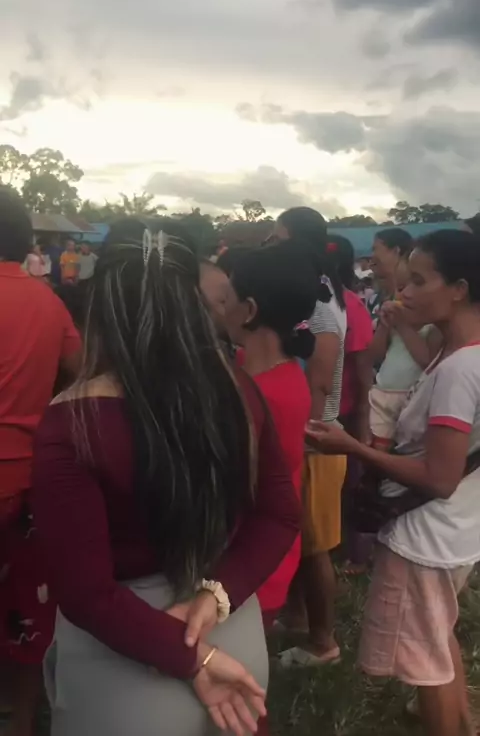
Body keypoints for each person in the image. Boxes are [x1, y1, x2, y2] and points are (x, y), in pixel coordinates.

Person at [32, 217, 300, 736]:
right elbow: (279, 515)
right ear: (194, 300)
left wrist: (189, 653)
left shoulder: (73, 424)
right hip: (228, 634)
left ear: (100, 306)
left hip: (124, 659)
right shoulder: (237, 391)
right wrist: (215, 598)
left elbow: (86, 594)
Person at [306, 229, 480, 736]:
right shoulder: (460, 355)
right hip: (456, 528)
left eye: (420, 281)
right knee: (437, 637)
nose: (405, 291)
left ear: (459, 290)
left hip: (427, 535)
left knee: (425, 664)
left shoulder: (459, 369)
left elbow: (439, 477)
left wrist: (354, 448)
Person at [0, 188, 81, 736]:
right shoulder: (49, 303)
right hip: (27, 486)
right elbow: (80, 371)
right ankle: (22, 717)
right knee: (26, 608)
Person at [225, 242, 317, 627]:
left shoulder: (269, 394)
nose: (220, 309)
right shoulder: (258, 369)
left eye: (225, 299)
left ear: (249, 310)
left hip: (251, 566)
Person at [271, 207, 347, 667]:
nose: (272, 247)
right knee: (302, 539)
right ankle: (297, 617)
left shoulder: (318, 308)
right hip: (312, 438)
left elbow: (318, 384)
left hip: (316, 441)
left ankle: (324, 641)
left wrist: (305, 437)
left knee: (316, 548)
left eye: (278, 239)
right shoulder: (320, 295)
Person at [328, 236, 373, 574]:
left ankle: (357, 553)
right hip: (325, 409)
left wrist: (363, 419)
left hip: (344, 410)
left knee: (352, 483)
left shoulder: (350, 306)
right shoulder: (319, 301)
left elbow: (362, 369)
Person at [369, 273, 442, 458]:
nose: (405, 294)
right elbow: (375, 355)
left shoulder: (432, 328)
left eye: (417, 286)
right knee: (377, 448)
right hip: (382, 394)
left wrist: (403, 326)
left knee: (403, 449)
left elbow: (427, 361)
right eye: (400, 288)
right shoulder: (393, 323)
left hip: (411, 398)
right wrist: (384, 326)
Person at [367, 228, 413, 327]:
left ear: (396, 251)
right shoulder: (376, 298)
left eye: (375, 249)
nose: (372, 256)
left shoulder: (412, 299)